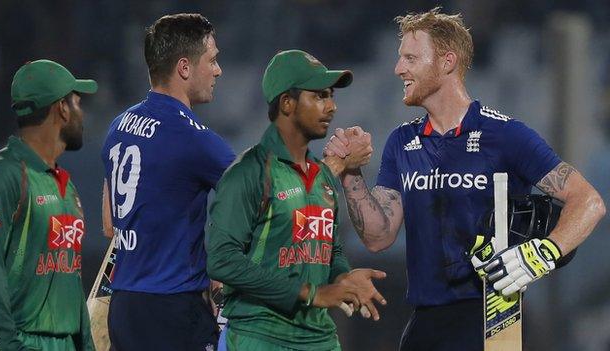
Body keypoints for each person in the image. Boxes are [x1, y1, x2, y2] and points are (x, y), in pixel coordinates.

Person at [324, 7, 606, 351]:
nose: (399, 69)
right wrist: (351, 173)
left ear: (447, 61)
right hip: (425, 320)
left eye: (411, 58)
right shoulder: (402, 141)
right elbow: (379, 237)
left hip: (494, 316)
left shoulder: (505, 135)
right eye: (400, 59)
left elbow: (589, 202)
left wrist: (544, 252)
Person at [205, 49, 387, 351]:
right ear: (287, 103)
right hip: (259, 336)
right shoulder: (248, 172)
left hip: (319, 339)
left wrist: (343, 277)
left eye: (330, 96)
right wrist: (311, 293)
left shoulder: (323, 177)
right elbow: (221, 260)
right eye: (318, 96)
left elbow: (331, 249)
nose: (331, 106)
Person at [100, 13, 235, 351]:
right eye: (213, 60)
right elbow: (260, 195)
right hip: (172, 312)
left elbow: (108, 224)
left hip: (124, 307)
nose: (218, 70)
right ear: (185, 68)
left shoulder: (118, 125)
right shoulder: (193, 138)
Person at [0, 59, 97, 350]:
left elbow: (69, 278)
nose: (82, 114)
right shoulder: (1, 176)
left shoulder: (63, 183)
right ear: (61, 108)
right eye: (77, 102)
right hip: (18, 343)